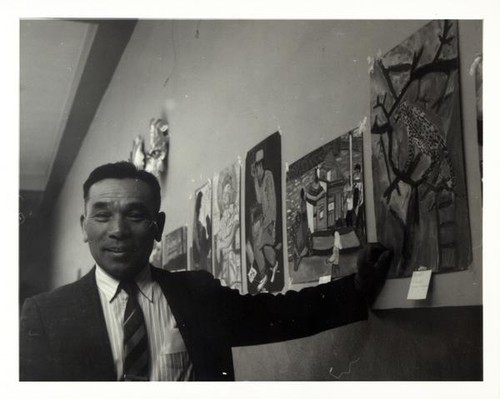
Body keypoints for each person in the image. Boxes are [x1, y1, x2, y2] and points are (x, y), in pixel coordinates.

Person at [20, 161, 393, 381]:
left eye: (135, 214)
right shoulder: (45, 314)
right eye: (102, 215)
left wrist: (358, 286)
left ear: (158, 225)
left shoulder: (195, 292)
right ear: (84, 226)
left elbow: (279, 315)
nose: (117, 230)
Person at [248, 149, 279, 291]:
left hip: (269, 219)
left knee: (257, 246)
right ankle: (274, 265)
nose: (256, 171)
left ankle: (263, 276)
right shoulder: (260, 179)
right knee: (265, 247)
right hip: (266, 219)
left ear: (260, 165)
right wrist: (255, 179)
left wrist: (272, 222)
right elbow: (260, 199)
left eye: (256, 168)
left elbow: (272, 200)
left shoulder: (268, 175)